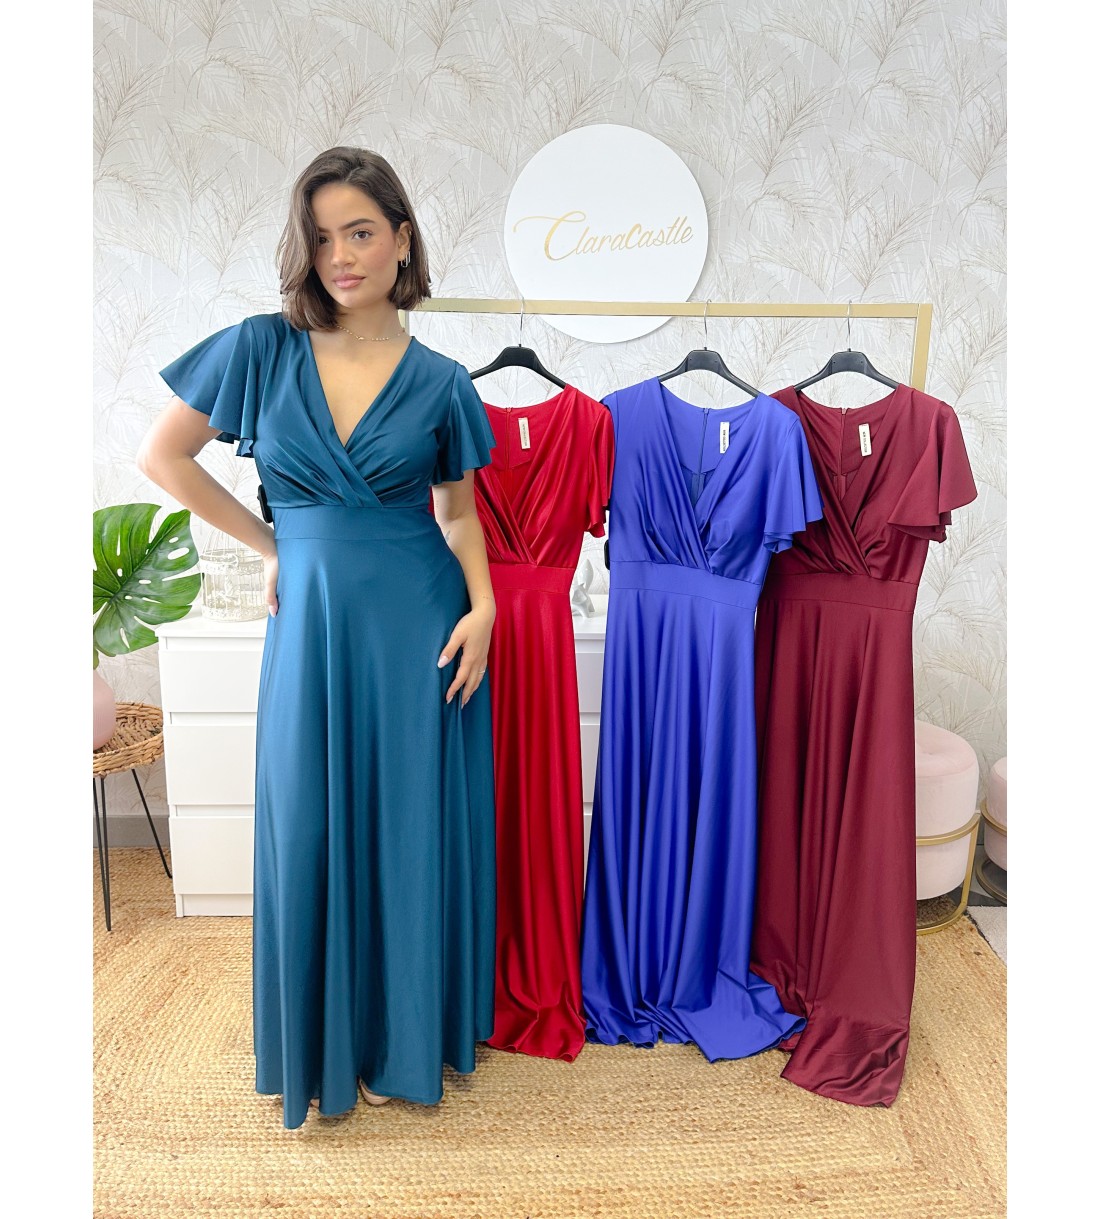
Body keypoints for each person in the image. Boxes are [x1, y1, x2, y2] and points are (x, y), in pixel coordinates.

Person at [136, 147, 499, 1130]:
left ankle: (397, 1041)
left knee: (405, 828)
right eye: (323, 236)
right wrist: (271, 546)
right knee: (309, 816)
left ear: (402, 240)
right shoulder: (261, 347)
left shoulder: (441, 381)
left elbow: (458, 513)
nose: (341, 255)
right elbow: (165, 455)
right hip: (314, 624)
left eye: (361, 231)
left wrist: (484, 608)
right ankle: (327, 1041)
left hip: (421, 618)